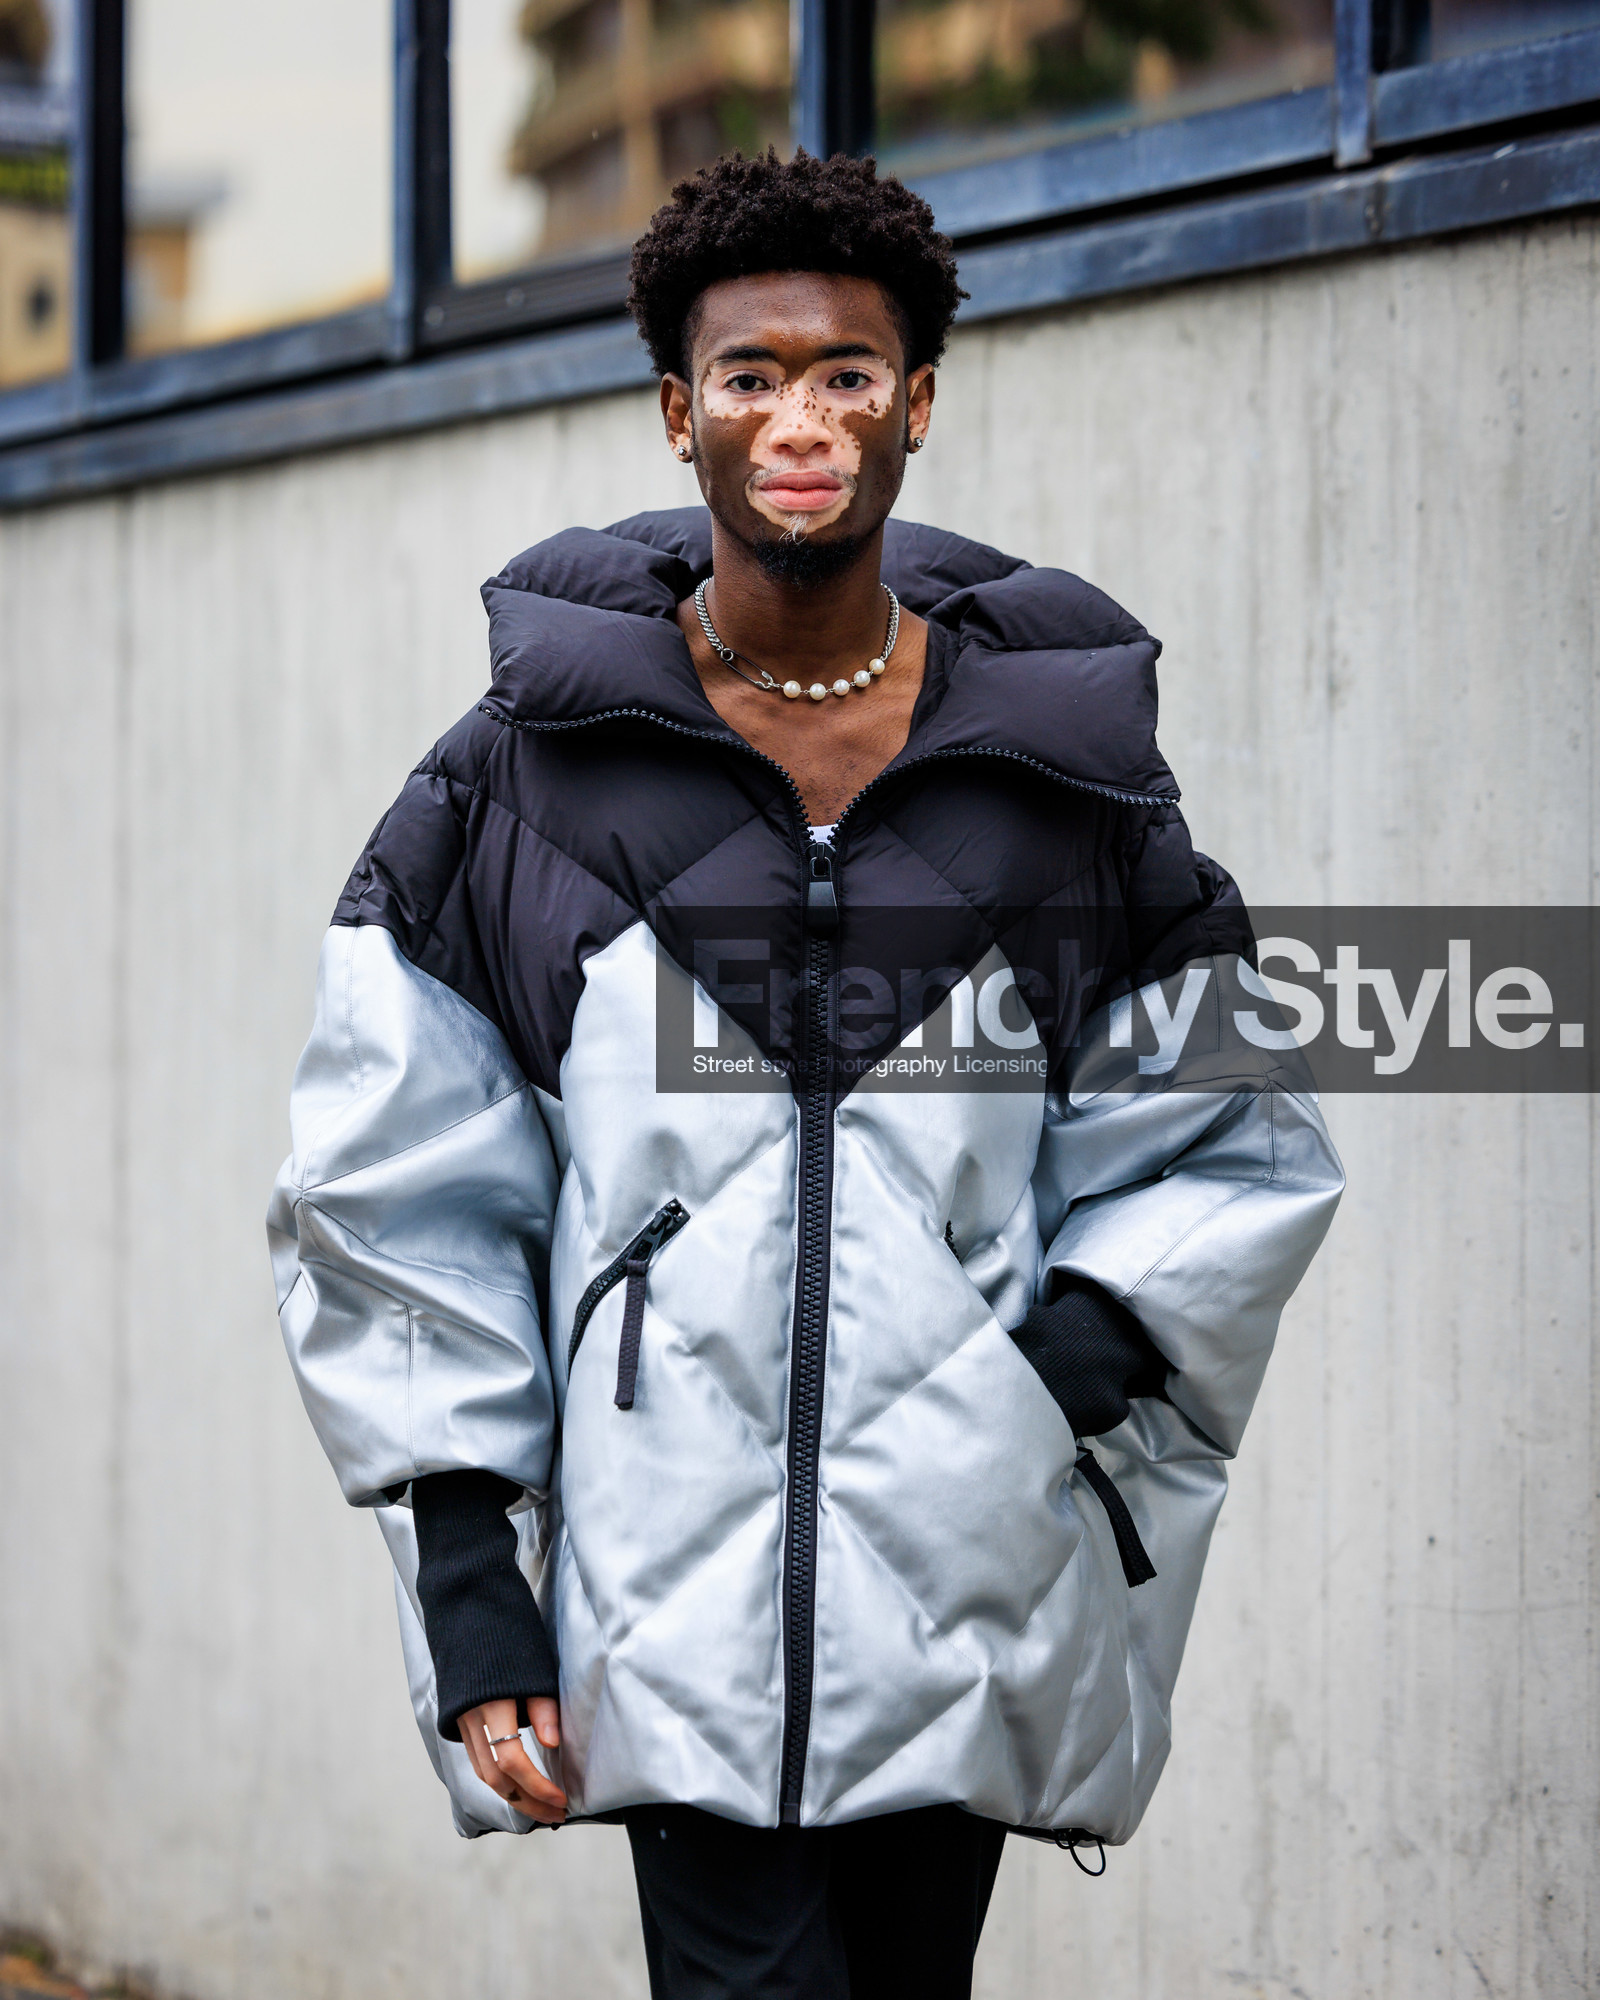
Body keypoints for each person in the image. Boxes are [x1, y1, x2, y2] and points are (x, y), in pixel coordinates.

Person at [267, 149, 1343, 1999]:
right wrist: (468, 1579)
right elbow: (392, 1197)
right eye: (750, 375)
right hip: (669, 1603)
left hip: (964, 1582)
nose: (800, 416)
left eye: (848, 372)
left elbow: (1225, 1139)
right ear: (681, 414)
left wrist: (1025, 1400)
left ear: (917, 405)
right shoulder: (523, 778)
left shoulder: (1064, 780)